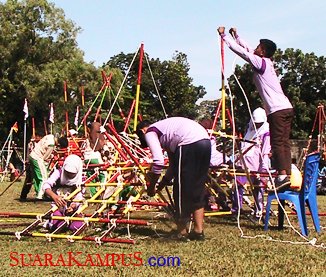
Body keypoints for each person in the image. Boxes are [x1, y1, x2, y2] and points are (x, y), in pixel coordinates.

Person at [217, 26, 294, 192]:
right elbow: (247, 48)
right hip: (287, 107)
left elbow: (243, 53)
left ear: (263, 51)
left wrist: (224, 37)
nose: (256, 48)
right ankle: (286, 174)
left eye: (259, 47)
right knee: (285, 143)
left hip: (277, 110)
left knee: (277, 142)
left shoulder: (261, 62)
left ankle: (282, 176)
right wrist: (236, 36)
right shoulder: (266, 62)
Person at [136, 117, 211, 241]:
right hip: (205, 141)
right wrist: (162, 184)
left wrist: (151, 186)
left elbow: (158, 162)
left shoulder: (150, 132)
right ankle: (198, 231)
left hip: (188, 142)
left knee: (181, 190)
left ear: (142, 131)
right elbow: (173, 166)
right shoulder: (168, 135)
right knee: (197, 187)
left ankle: (182, 233)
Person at [231, 107, 271, 218]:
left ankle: (259, 210)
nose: (257, 125)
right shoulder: (249, 130)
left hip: (257, 166)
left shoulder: (266, 132)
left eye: (259, 123)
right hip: (243, 164)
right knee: (238, 186)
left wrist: (264, 168)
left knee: (258, 188)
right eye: (255, 123)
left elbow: (265, 151)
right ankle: (236, 210)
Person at [41, 154, 84, 232]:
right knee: (57, 226)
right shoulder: (58, 173)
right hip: (58, 207)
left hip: (73, 208)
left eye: (72, 173)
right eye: (68, 172)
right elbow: (46, 185)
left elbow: (79, 195)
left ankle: (70, 221)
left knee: (77, 227)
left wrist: (73, 205)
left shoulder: (81, 179)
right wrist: (54, 196)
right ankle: (52, 222)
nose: (69, 175)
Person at [20, 135, 68, 200]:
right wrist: (51, 155)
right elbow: (45, 158)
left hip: (32, 155)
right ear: (59, 144)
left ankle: (25, 195)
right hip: (37, 158)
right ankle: (40, 195)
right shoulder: (51, 145)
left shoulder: (50, 136)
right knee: (43, 177)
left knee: (33, 177)